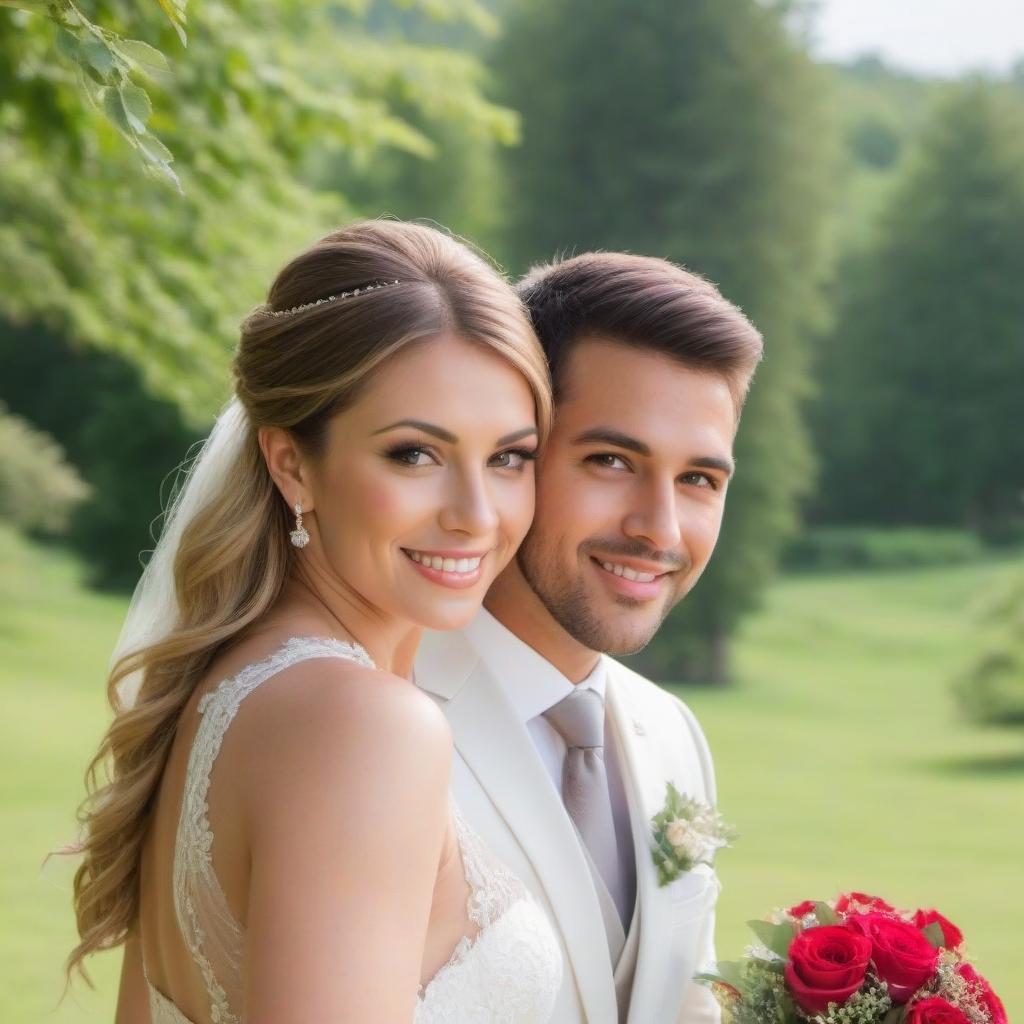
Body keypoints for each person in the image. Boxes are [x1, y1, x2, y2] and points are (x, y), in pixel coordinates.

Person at [67, 220, 564, 1024]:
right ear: (291, 463)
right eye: (414, 454)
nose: (478, 515)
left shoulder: (228, 686)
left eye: (509, 457)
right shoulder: (361, 725)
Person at [414, 252, 764, 1024]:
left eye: (700, 480)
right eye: (611, 461)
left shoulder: (672, 734)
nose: (659, 529)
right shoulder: (377, 719)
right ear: (513, 454)